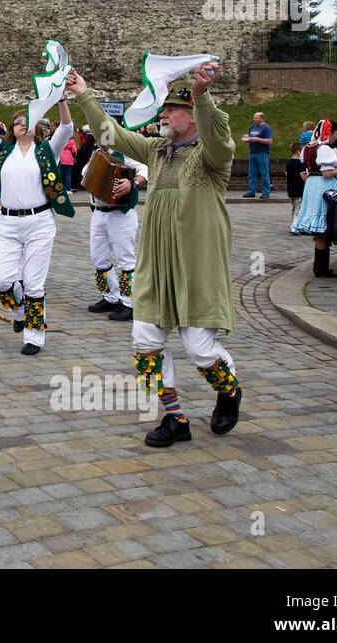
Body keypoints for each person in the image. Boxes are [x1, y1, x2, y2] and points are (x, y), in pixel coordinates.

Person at [68, 64, 245, 449]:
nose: (162, 115)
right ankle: (175, 419)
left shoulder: (213, 156)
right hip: (156, 264)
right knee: (145, 343)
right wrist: (84, 94)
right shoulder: (156, 150)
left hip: (197, 266)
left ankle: (228, 389)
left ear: (192, 115)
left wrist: (201, 94)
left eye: (171, 110)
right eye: (162, 109)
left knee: (200, 349)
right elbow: (109, 134)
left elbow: (218, 135)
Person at [0, 77, 74, 353]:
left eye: (26, 120)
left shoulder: (47, 150)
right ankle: (19, 313)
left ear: (36, 127)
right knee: (1, 280)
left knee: (33, 282)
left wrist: (61, 98)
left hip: (40, 221)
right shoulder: (3, 150)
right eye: (17, 121)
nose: (21, 124)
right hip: (8, 222)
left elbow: (67, 128)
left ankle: (33, 335)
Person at [82, 139, 148, 322]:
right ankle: (110, 296)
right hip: (99, 212)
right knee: (99, 258)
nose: (98, 139)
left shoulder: (124, 152)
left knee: (125, 258)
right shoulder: (97, 155)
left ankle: (129, 303)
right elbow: (85, 174)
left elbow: (144, 169)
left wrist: (132, 182)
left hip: (121, 213)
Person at [291, 120, 337, 276]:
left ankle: (320, 267)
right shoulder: (324, 148)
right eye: (336, 134)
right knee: (326, 223)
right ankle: (321, 267)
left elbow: (314, 167)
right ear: (329, 133)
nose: (336, 138)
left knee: (320, 229)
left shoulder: (308, 147)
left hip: (312, 184)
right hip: (323, 186)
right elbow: (327, 173)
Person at [241, 111, 273, 199]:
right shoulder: (252, 127)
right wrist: (246, 138)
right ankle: (251, 191)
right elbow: (248, 136)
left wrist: (256, 139)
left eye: (255, 118)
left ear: (261, 118)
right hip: (252, 153)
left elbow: (269, 141)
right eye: (254, 117)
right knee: (251, 173)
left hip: (262, 153)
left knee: (264, 173)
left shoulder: (266, 128)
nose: (253, 119)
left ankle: (266, 192)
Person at [285, 142, 305, 225]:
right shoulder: (301, 163)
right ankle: (295, 225)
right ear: (298, 152)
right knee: (299, 208)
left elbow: (286, 175)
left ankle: (293, 223)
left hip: (291, 189)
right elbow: (303, 176)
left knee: (294, 207)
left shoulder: (289, 162)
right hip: (299, 189)